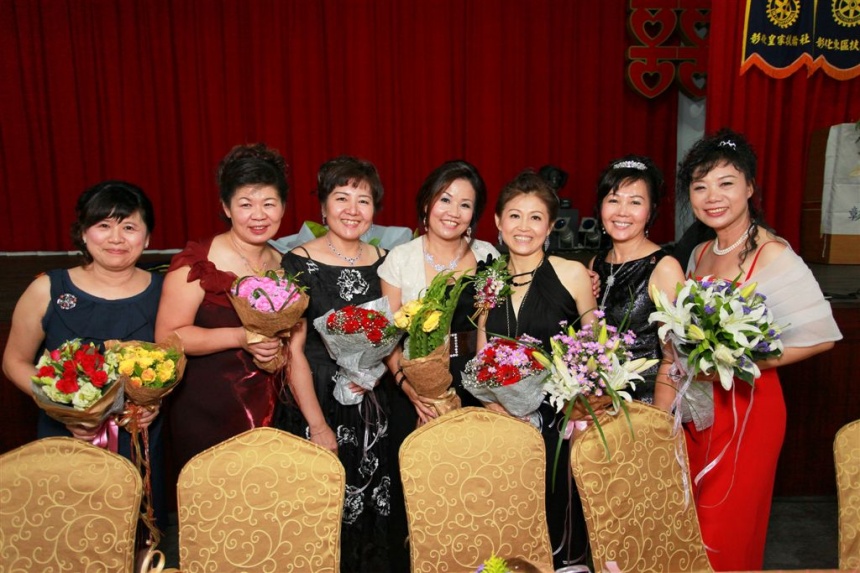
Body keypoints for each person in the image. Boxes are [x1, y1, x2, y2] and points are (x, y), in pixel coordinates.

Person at [677, 128, 842, 571]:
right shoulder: (700, 252)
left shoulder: (771, 254)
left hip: (749, 409)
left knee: (723, 531)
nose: (712, 196)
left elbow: (821, 337)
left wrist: (736, 362)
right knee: (690, 528)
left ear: (750, 187)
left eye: (726, 183)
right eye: (700, 186)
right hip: (699, 409)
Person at [2, 179, 166, 527]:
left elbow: (176, 362)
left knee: (138, 534)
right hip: (66, 435)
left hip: (139, 441)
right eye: (103, 225)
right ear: (83, 233)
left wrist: (156, 401)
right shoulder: (47, 288)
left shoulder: (165, 292)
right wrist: (63, 404)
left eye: (129, 227)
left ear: (148, 237)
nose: (116, 238)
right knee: (67, 533)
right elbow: (14, 361)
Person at [378, 159, 498, 571]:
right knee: (418, 484)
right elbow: (389, 337)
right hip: (413, 384)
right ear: (427, 202)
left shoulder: (487, 255)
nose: (453, 211)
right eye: (445, 199)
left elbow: (497, 324)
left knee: (471, 484)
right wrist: (409, 388)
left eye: (465, 204)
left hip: (473, 383)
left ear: (475, 214)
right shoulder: (400, 258)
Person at [274, 156, 389, 573]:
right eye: (342, 198)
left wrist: (378, 372)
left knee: (373, 508)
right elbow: (292, 351)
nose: (352, 210)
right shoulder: (297, 262)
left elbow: (396, 333)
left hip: (373, 401)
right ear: (323, 206)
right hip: (317, 397)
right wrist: (318, 425)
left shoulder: (386, 260)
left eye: (364, 200)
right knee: (319, 511)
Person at [479, 169, 597, 569]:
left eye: (535, 217)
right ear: (498, 221)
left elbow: (594, 347)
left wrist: (581, 398)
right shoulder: (489, 280)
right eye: (514, 215)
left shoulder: (571, 273)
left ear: (550, 226)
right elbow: (482, 358)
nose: (523, 227)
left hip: (559, 422)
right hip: (503, 422)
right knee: (508, 521)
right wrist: (493, 405)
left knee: (557, 517)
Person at [156, 143, 287, 472]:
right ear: (226, 207)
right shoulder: (197, 263)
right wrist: (241, 336)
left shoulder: (286, 265)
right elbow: (168, 337)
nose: (259, 215)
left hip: (275, 408)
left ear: (283, 207)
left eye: (269, 203)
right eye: (246, 204)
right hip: (208, 408)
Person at [589, 155, 685, 411]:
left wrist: (658, 421)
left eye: (635, 202)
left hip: (644, 407)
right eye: (613, 200)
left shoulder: (663, 267)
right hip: (599, 405)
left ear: (650, 210)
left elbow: (674, 359)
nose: (622, 211)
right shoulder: (596, 263)